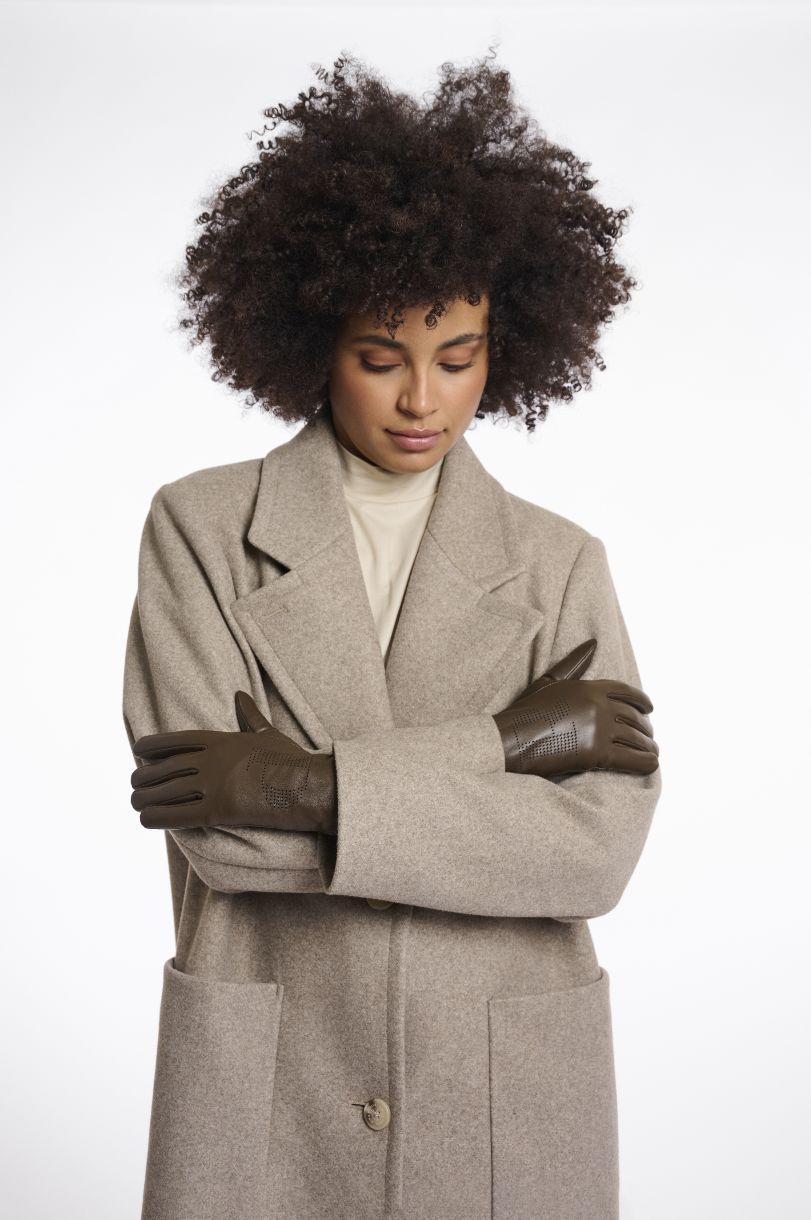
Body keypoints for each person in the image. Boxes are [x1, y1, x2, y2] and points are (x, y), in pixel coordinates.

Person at [122, 50, 662, 1220]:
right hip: (278, 1083)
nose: (423, 398)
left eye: (457, 357)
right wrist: (503, 750)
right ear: (312, 343)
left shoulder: (561, 563)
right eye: (381, 357)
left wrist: (301, 784)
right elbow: (225, 837)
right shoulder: (200, 530)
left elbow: (592, 855)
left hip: (497, 1088)